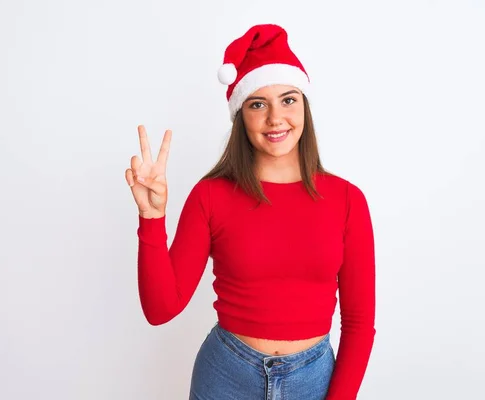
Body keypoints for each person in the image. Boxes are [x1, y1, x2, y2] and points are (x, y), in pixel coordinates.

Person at [125, 23, 376, 400]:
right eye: (258, 104)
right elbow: (160, 309)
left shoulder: (347, 200)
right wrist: (151, 220)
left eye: (288, 100)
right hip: (225, 375)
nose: (276, 118)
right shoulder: (211, 196)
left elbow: (358, 324)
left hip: (313, 380)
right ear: (241, 115)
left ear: (304, 106)